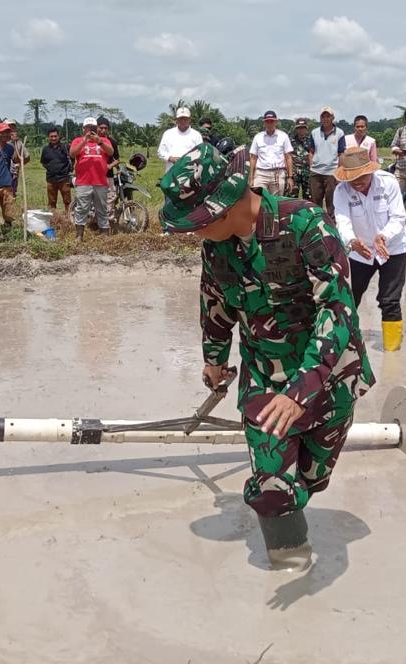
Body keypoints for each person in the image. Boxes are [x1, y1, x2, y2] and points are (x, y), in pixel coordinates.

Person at [159, 143, 374, 566]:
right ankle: (289, 564)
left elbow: (337, 311)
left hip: (327, 378)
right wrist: (214, 359)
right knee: (274, 486)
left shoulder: (305, 224)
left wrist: (300, 392)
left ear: (224, 209)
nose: (194, 234)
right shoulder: (217, 247)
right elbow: (215, 300)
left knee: (313, 478)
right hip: (264, 375)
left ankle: (298, 521)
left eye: (197, 224)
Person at [333, 147, 406, 352]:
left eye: (361, 177)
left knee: (390, 299)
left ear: (370, 171)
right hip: (360, 250)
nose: (357, 182)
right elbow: (342, 221)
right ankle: (344, 343)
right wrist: (351, 241)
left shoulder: (388, 183)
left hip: (392, 248)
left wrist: (384, 236)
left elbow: (398, 217)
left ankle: (391, 354)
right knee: (350, 296)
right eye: (352, 178)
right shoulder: (341, 191)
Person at [68, 117, 114, 240]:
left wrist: (99, 141)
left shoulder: (104, 140)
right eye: (87, 127)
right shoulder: (78, 140)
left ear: (96, 128)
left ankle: (104, 235)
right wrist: (84, 141)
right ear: (83, 128)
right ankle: (79, 236)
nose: (90, 130)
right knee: (82, 208)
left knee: (102, 209)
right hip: (83, 181)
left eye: (92, 128)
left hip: (100, 182)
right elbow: (72, 153)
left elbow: (111, 152)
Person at [308, 106, 346, 214]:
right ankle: (317, 223)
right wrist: (311, 167)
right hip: (316, 173)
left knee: (332, 204)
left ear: (332, 118)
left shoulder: (339, 133)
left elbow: (341, 154)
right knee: (315, 204)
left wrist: (339, 173)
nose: (325, 119)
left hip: (331, 173)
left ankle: (331, 223)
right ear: (320, 118)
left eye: (328, 116)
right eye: (323, 116)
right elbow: (311, 152)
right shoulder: (314, 132)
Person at [248, 110, 294, 194]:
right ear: (264, 123)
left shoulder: (283, 136)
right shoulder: (257, 137)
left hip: (278, 174)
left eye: (272, 121)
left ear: (276, 122)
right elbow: (253, 158)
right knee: (258, 199)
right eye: (267, 121)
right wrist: (251, 178)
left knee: (276, 200)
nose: (269, 123)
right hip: (261, 174)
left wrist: (290, 177)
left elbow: (288, 157)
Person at [157, 105, 203, 170]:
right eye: (180, 118)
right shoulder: (168, 134)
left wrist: (188, 160)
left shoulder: (196, 135)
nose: (183, 121)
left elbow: (201, 153)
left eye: (185, 118)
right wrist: (170, 158)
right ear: (176, 119)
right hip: (171, 171)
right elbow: (160, 152)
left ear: (190, 119)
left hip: (190, 172)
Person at [40, 128, 73, 211]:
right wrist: (51, 169)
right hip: (51, 179)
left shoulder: (66, 147)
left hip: (64, 179)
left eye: (55, 136)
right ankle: (53, 217)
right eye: (51, 136)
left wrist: (69, 170)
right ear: (49, 137)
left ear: (59, 136)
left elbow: (73, 159)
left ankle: (68, 216)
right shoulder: (45, 149)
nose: (53, 138)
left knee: (67, 201)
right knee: (52, 202)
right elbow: (43, 162)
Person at [97, 116, 121, 221]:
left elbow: (117, 159)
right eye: (101, 128)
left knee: (110, 197)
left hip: (108, 175)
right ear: (96, 128)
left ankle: (108, 221)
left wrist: (110, 166)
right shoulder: (91, 141)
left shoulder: (112, 142)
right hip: (94, 176)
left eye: (105, 128)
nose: (103, 130)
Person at [290, 117, 315, 199]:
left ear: (306, 129)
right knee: (292, 196)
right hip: (294, 172)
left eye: (303, 128)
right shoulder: (290, 141)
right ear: (296, 129)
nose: (301, 130)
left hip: (307, 172)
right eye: (299, 128)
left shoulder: (311, 141)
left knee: (308, 197)